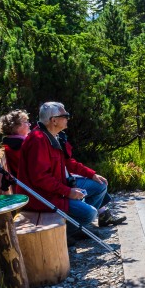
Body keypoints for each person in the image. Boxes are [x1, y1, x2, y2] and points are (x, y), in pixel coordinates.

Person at [18, 102, 124, 242]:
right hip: (42, 198)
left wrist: (91, 174)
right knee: (90, 213)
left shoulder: (53, 135)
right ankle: (66, 233)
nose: (68, 118)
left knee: (100, 185)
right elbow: (41, 178)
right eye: (65, 115)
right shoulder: (38, 141)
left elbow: (68, 162)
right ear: (54, 120)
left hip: (55, 189)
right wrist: (68, 191)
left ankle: (78, 227)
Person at [0, 109, 31, 178]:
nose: (29, 124)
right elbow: (32, 168)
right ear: (16, 127)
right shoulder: (19, 145)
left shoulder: (12, 142)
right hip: (29, 184)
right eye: (25, 122)